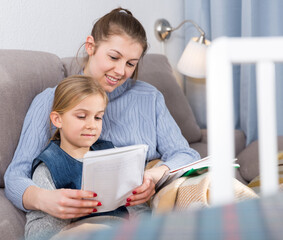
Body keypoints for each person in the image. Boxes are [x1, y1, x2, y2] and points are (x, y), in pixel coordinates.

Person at [4, 7, 200, 221]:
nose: (120, 71)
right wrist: (45, 199)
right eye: (114, 57)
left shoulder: (149, 97)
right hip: (85, 215)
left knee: (207, 188)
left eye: (130, 64)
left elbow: (186, 154)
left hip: (144, 204)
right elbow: (15, 175)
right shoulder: (51, 101)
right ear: (91, 46)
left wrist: (154, 176)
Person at [25, 75, 129, 240]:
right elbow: (40, 234)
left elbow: (135, 208)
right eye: (81, 116)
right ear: (58, 119)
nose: (92, 125)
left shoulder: (111, 152)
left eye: (98, 117)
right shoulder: (48, 167)